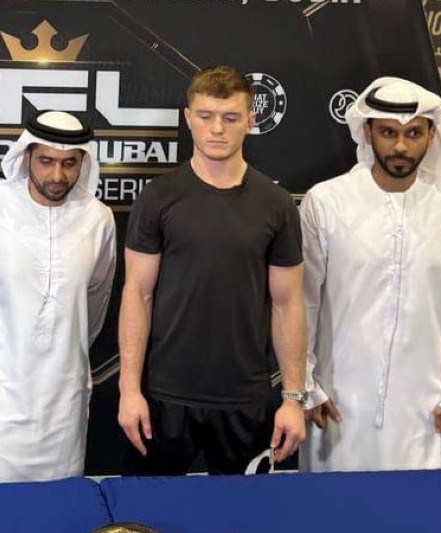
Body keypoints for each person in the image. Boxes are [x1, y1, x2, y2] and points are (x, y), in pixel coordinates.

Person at [299, 77, 441, 472]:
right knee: (332, 505)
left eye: (413, 133)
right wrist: (305, 386)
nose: (401, 146)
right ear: (367, 132)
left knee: (418, 506)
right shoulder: (327, 201)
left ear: (432, 136)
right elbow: (303, 302)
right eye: (389, 133)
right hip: (336, 401)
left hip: (426, 408)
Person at [118, 65, 306, 475]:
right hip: (165, 396)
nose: (217, 129)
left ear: (250, 121)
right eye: (205, 116)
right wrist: (129, 390)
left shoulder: (276, 204)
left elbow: (288, 303)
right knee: (146, 513)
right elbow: (137, 294)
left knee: (243, 514)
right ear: (188, 118)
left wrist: (293, 398)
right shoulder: (158, 197)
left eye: (230, 117)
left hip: (245, 398)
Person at [0, 110, 117, 483]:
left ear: (83, 162)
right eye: (46, 161)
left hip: (62, 393)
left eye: (69, 163)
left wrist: (70, 346)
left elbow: (97, 295)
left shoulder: (98, 219)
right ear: (27, 155)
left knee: (58, 496)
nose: (57, 175)